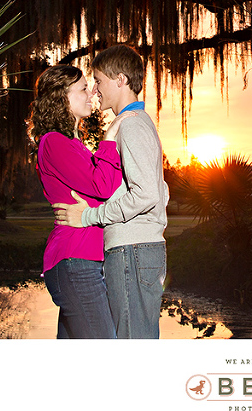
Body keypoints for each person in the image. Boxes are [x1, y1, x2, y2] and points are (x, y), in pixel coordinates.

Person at [53, 45, 169, 339]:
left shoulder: (132, 126)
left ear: (120, 80)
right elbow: (161, 191)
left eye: (99, 80)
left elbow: (148, 196)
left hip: (133, 249)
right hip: (135, 249)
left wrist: (91, 216)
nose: (94, 90)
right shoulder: (131, 125)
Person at [28, 64, 133, 339]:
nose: (92, 94)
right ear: (62, 97)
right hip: (75, 261)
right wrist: (109, 140)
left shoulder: (75, 145)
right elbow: (103, 185)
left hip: (84, 262)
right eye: (84, 89)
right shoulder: (53, 142)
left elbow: (102, 186)